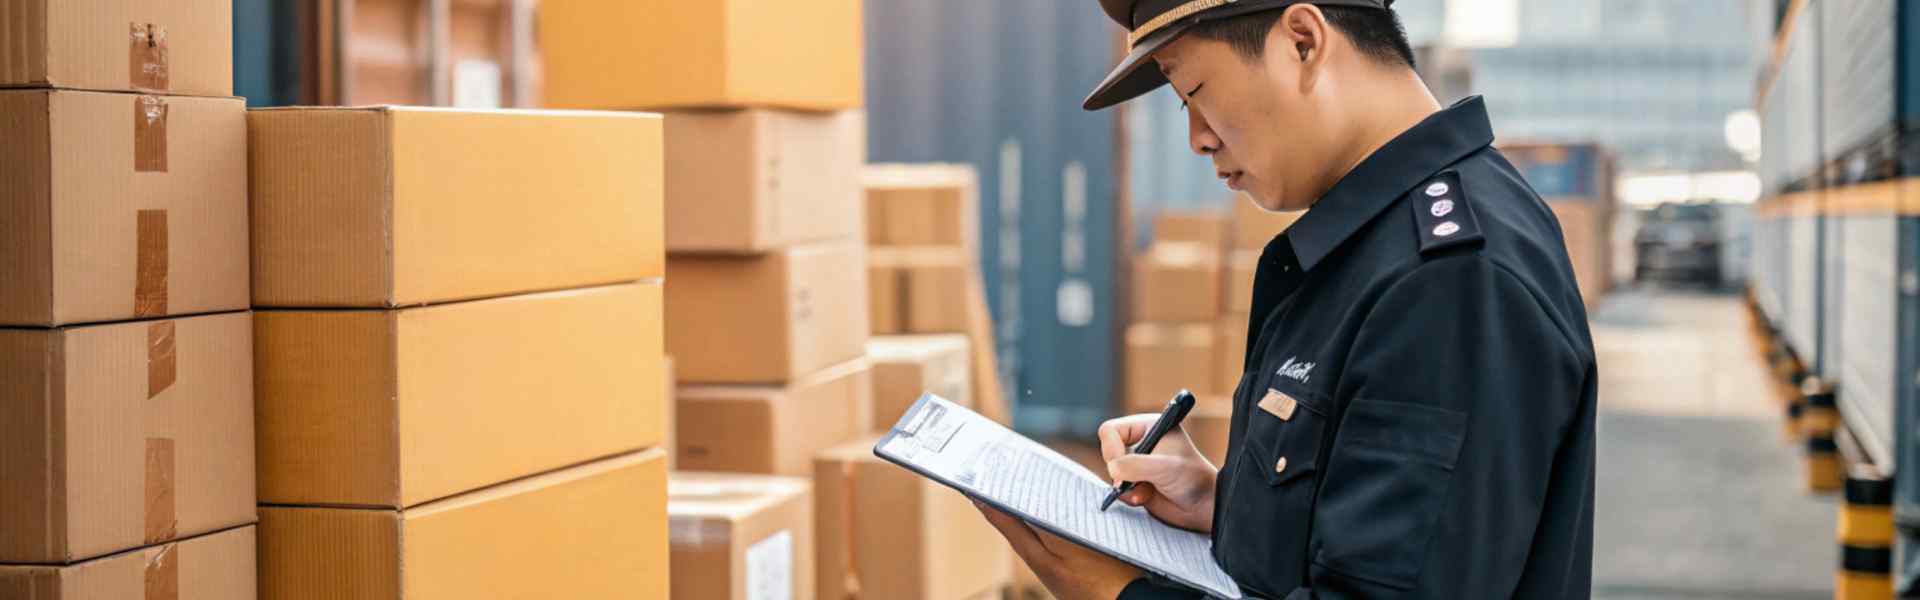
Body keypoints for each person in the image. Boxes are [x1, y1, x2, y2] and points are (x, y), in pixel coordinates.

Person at [972, 1, 1599, 598]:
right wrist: (1223, 508)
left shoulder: (1448, 282)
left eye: (1193, 91)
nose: (1197, 137)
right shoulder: (1375, 248)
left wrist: (1115, 594)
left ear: (1303, 41)